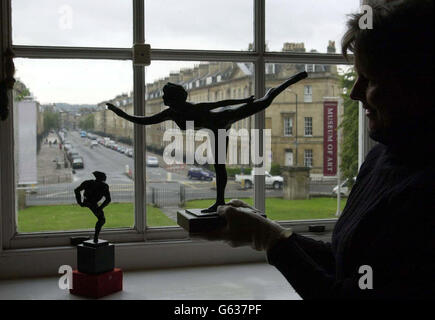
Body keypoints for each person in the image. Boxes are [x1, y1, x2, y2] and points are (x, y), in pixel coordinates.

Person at [193, 0, 434, 299]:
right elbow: (346, 261)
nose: (354, 92)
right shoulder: (382, 157)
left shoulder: (427, 191)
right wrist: (266, 231)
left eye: (370, 79)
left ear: (419, 84)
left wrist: (270, 240)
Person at [107, 71, 307, 213]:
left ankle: (290, 81)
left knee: (264, 101)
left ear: (173, 98)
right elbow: (142, 120)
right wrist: (118, 112)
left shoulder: (194, 108)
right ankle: (219, 202)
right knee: (219, 167)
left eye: (165, 96)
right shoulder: (170, 113)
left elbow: (220, 104)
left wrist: (245, 101)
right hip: (214, 129)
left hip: (223, 121)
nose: (163, 98)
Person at [74, 171, 111, 243]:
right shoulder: (104, 186)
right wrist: (100, 208)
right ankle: (96, 237)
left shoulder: (88, 183)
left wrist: (80, 202)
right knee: (102, 220)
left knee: (101, 219)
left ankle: (96, 237)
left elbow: (77, 190)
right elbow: (108, 199)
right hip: (92, 203)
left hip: (88, 202)